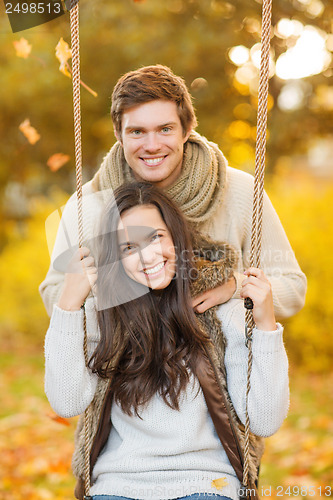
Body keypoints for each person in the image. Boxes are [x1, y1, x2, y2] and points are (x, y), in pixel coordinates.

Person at [44, 182, 289, 500]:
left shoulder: (220, 308)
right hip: (118, 484)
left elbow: (264, 421)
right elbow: (67, 403)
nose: (147, 257)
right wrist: (68, 305)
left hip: (207, 483)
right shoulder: (102, 313)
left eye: (155, 237)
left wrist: (266, 324)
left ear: (176, 236)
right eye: (129, 248)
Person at [39, 64, 306, 320]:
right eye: (137, 132)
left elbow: (293, 287)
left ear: (187, 129)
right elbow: (53, 295)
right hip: (125, 363)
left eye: (165, 129)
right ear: (118, 135)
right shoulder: (90, 203)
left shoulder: (241, 190)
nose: (152, 145)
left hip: (221, 364)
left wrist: (234, 288)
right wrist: (114, 287)